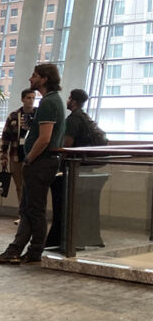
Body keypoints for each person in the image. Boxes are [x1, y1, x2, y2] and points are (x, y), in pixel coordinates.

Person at [0, 64, 66, 265]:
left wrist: (29, 158)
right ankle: (24, 250)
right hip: (43, 162)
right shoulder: (52, 101)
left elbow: (45, 138)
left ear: (45, 79)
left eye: (35, 75)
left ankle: (27, 250)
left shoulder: (49, 103)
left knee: (32, 209)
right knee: (30, 208)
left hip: (40, 162)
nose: (31, 79)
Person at [46, 89, 94, 248]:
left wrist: (57, 164)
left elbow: (67, 145)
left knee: (61, 207)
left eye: (69, 98)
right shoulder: (85, 117)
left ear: (73, 101)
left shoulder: (73, 120)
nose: (67, 100)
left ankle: (58, 241)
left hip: (69, 169)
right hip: (83, 167)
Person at [0, 89, 37, 204]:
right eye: (28, 98)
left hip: (34, 155)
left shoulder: (38, 114)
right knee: (19, 186)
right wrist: (3, 155)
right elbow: (5, 136)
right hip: (16, 154)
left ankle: (31, 213)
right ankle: (22, 213)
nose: (31, 101)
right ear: (22, 99)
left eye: (33, 98)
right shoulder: (14, 116)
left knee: (33, 187)